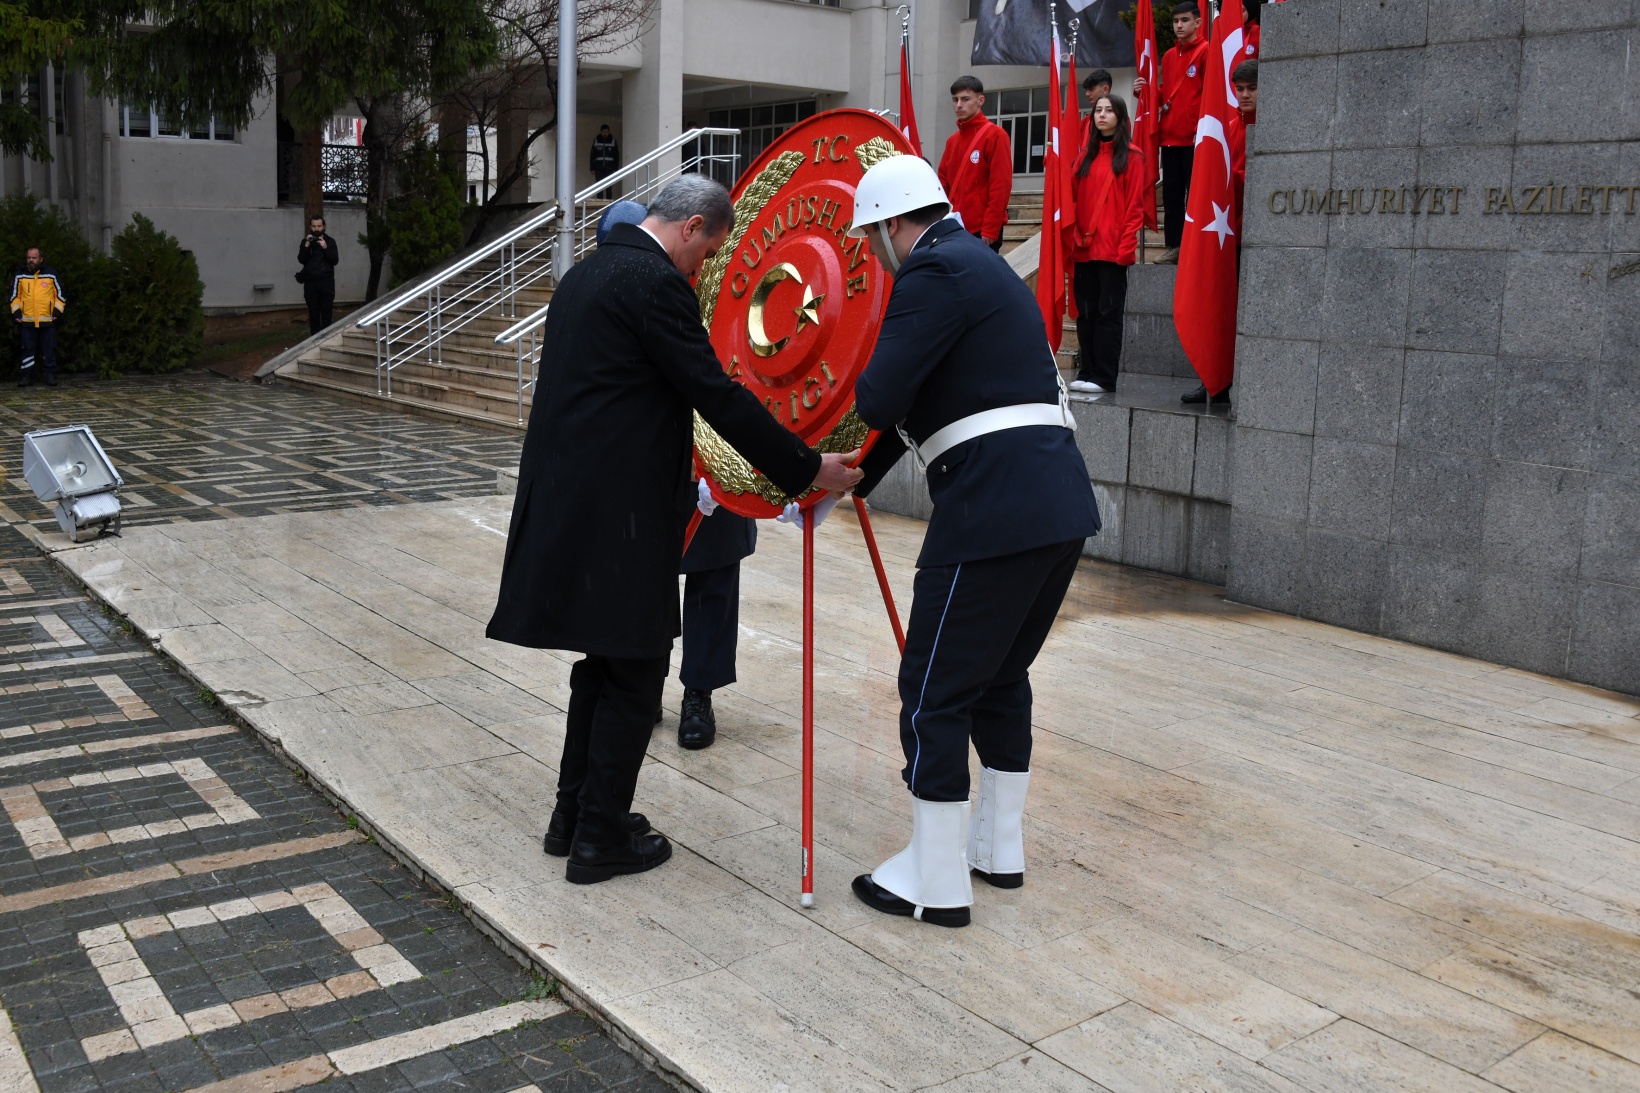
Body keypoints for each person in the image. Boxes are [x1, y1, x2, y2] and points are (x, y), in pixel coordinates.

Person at [487, 176, 862, 885]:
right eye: (709, 252)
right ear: (690, 227)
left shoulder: (586, 274)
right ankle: (601, 838)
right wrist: (807, 468)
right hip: (619, 519)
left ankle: (572, 816)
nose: (705, 268)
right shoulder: (654, 284)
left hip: (574, 506)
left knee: (601, 666)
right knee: (634, 670)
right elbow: (714, 394)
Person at [844, 155, 1100, 928]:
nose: (871, 254)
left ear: (894, 225)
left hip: (992, 510)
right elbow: (919, 405)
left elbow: (880, 396)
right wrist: (844, 481)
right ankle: (996, 847)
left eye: (870, 239)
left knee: (932, 689)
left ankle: (934, 877)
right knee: (997, 677)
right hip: (1055, 505)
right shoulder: (980, 265)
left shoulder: (933, 271)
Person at [592, 197, 747, 752]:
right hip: (651, 465)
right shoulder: (621, 294)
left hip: (719, 451)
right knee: (643, 582)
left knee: (714, 578)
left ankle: (698, 693)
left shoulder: (717, 274)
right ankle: (643, 683)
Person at [1181, 61, 1255, 406]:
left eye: (1251, 88)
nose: (1244, 95)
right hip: (1222, 237)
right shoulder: (1226, 128)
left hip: (1251, 236)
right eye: (1239, 88)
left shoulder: (1271, 128)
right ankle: (1213, 380)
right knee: (1216, 308)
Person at [1067, 95, 1145, 396]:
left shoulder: (1133, 156)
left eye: (1108, 110)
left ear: (1120, 116)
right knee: (1085, 314)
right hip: (1084, 249)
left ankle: (1104, 377)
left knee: (1107, 316)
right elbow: (1072, 198)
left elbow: (1134, 207)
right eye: (1098, 110)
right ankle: (1086, 371)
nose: (1102, 115)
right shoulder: (1084, 155)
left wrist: (1126, 249)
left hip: (1112, 251)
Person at [1134, 1, 1207, 263]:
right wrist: (1145, 92)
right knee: (1172, 196)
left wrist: (1203, 128)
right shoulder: (1167, 56)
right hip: (1170, 138)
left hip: (1195, 138)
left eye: (1185, 20)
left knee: (1197, 195)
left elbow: (1211, 93)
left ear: (1198, 23)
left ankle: (1198, 247)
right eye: (1176, 21)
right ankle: (1174, 246)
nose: (1178, 25)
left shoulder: (1206, 51)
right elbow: (1165, 92)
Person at [937, 76, 1012, 252]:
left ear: (980, 100)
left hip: (982, 230)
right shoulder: (952, 141)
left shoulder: (995, 135)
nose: (959, 105)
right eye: (955, 100)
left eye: (965, 99)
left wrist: (991, 227)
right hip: (954, 228)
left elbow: (1001, 185)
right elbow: (942, 185)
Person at [11, 247, 64, 387]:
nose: (31, 260)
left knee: (49, 349)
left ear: (41, 259)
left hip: (47, 320)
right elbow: (15, 296)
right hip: (27, 320)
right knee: (27, 349)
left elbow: (60, 295)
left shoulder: (52, 274)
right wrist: (16, 313)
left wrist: (56, 313)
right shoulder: (20, 275)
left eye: (34, 258)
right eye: (29, 258)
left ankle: (50, 375)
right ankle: (27, 376)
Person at [297, 216, 339, 335]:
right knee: (313, 314)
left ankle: (327, 338)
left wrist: (325, 248)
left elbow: (335, 260)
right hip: (311, 283)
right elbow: (301, 259)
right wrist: (306, 245)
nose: (316, 229)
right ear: (310, 227)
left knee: (326, 313)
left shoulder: (330, 241)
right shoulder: (306, 242)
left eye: (319, 226)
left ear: (324, 227)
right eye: (314, 226)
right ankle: (314, 340)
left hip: (326, 283)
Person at [590, 124, 621, 199]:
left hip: (609, 167)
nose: (605, 134)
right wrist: (592, 168)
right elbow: (592, 155)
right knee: (599, 187)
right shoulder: (596, 141)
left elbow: (616, 155)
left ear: (609, 132)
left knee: (609, 187)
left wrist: (616, 168)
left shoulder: (613, 141)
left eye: (606, 132)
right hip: (598, 167)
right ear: (601, 132)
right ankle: (599, 203)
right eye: (603, 132)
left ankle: (608, 204)